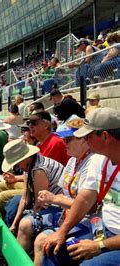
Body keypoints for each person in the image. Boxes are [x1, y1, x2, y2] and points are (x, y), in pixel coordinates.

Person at [42, 107, 120, 265]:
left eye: (88, 136)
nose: (85, 140)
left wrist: (99, 246)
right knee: (50, 249)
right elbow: (85, 199)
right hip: (103, 229)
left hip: (113, 239)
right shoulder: (100, 160)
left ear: (105, 136)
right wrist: (62, 232)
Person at [31, 116, 101, 265]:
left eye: (68, 140)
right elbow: (64, 191)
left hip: (90, 221)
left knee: (44, 243)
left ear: (83, 139)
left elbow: (89, 206)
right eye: (63, 139)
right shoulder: (72, 161)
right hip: (67, 216)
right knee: (31, 228)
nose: (64, 143)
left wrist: (54, 199)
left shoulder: (94, 162)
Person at [2, 139, 64, 252]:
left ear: (26, 158)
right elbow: (25, 197)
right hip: (48, 203)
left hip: (58, 207)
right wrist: (14, 224)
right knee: (14, 211)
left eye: (17, 163)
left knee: (25, 223)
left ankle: (20, 255)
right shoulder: (29, 166)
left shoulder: (39, 170)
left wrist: (23, 220)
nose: (17, 167)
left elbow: (40, 204)